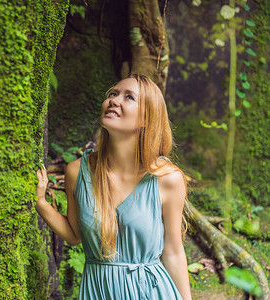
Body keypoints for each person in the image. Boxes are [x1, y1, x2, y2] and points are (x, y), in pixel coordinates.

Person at [35, 74, 192, 299]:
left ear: (147, 118)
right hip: (98, 291)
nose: (114, 100)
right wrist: (41, 203)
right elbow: (74, 235)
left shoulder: (167, 179)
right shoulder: (77, 171)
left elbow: (174, 252)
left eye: (129, 97)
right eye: (113, 93)